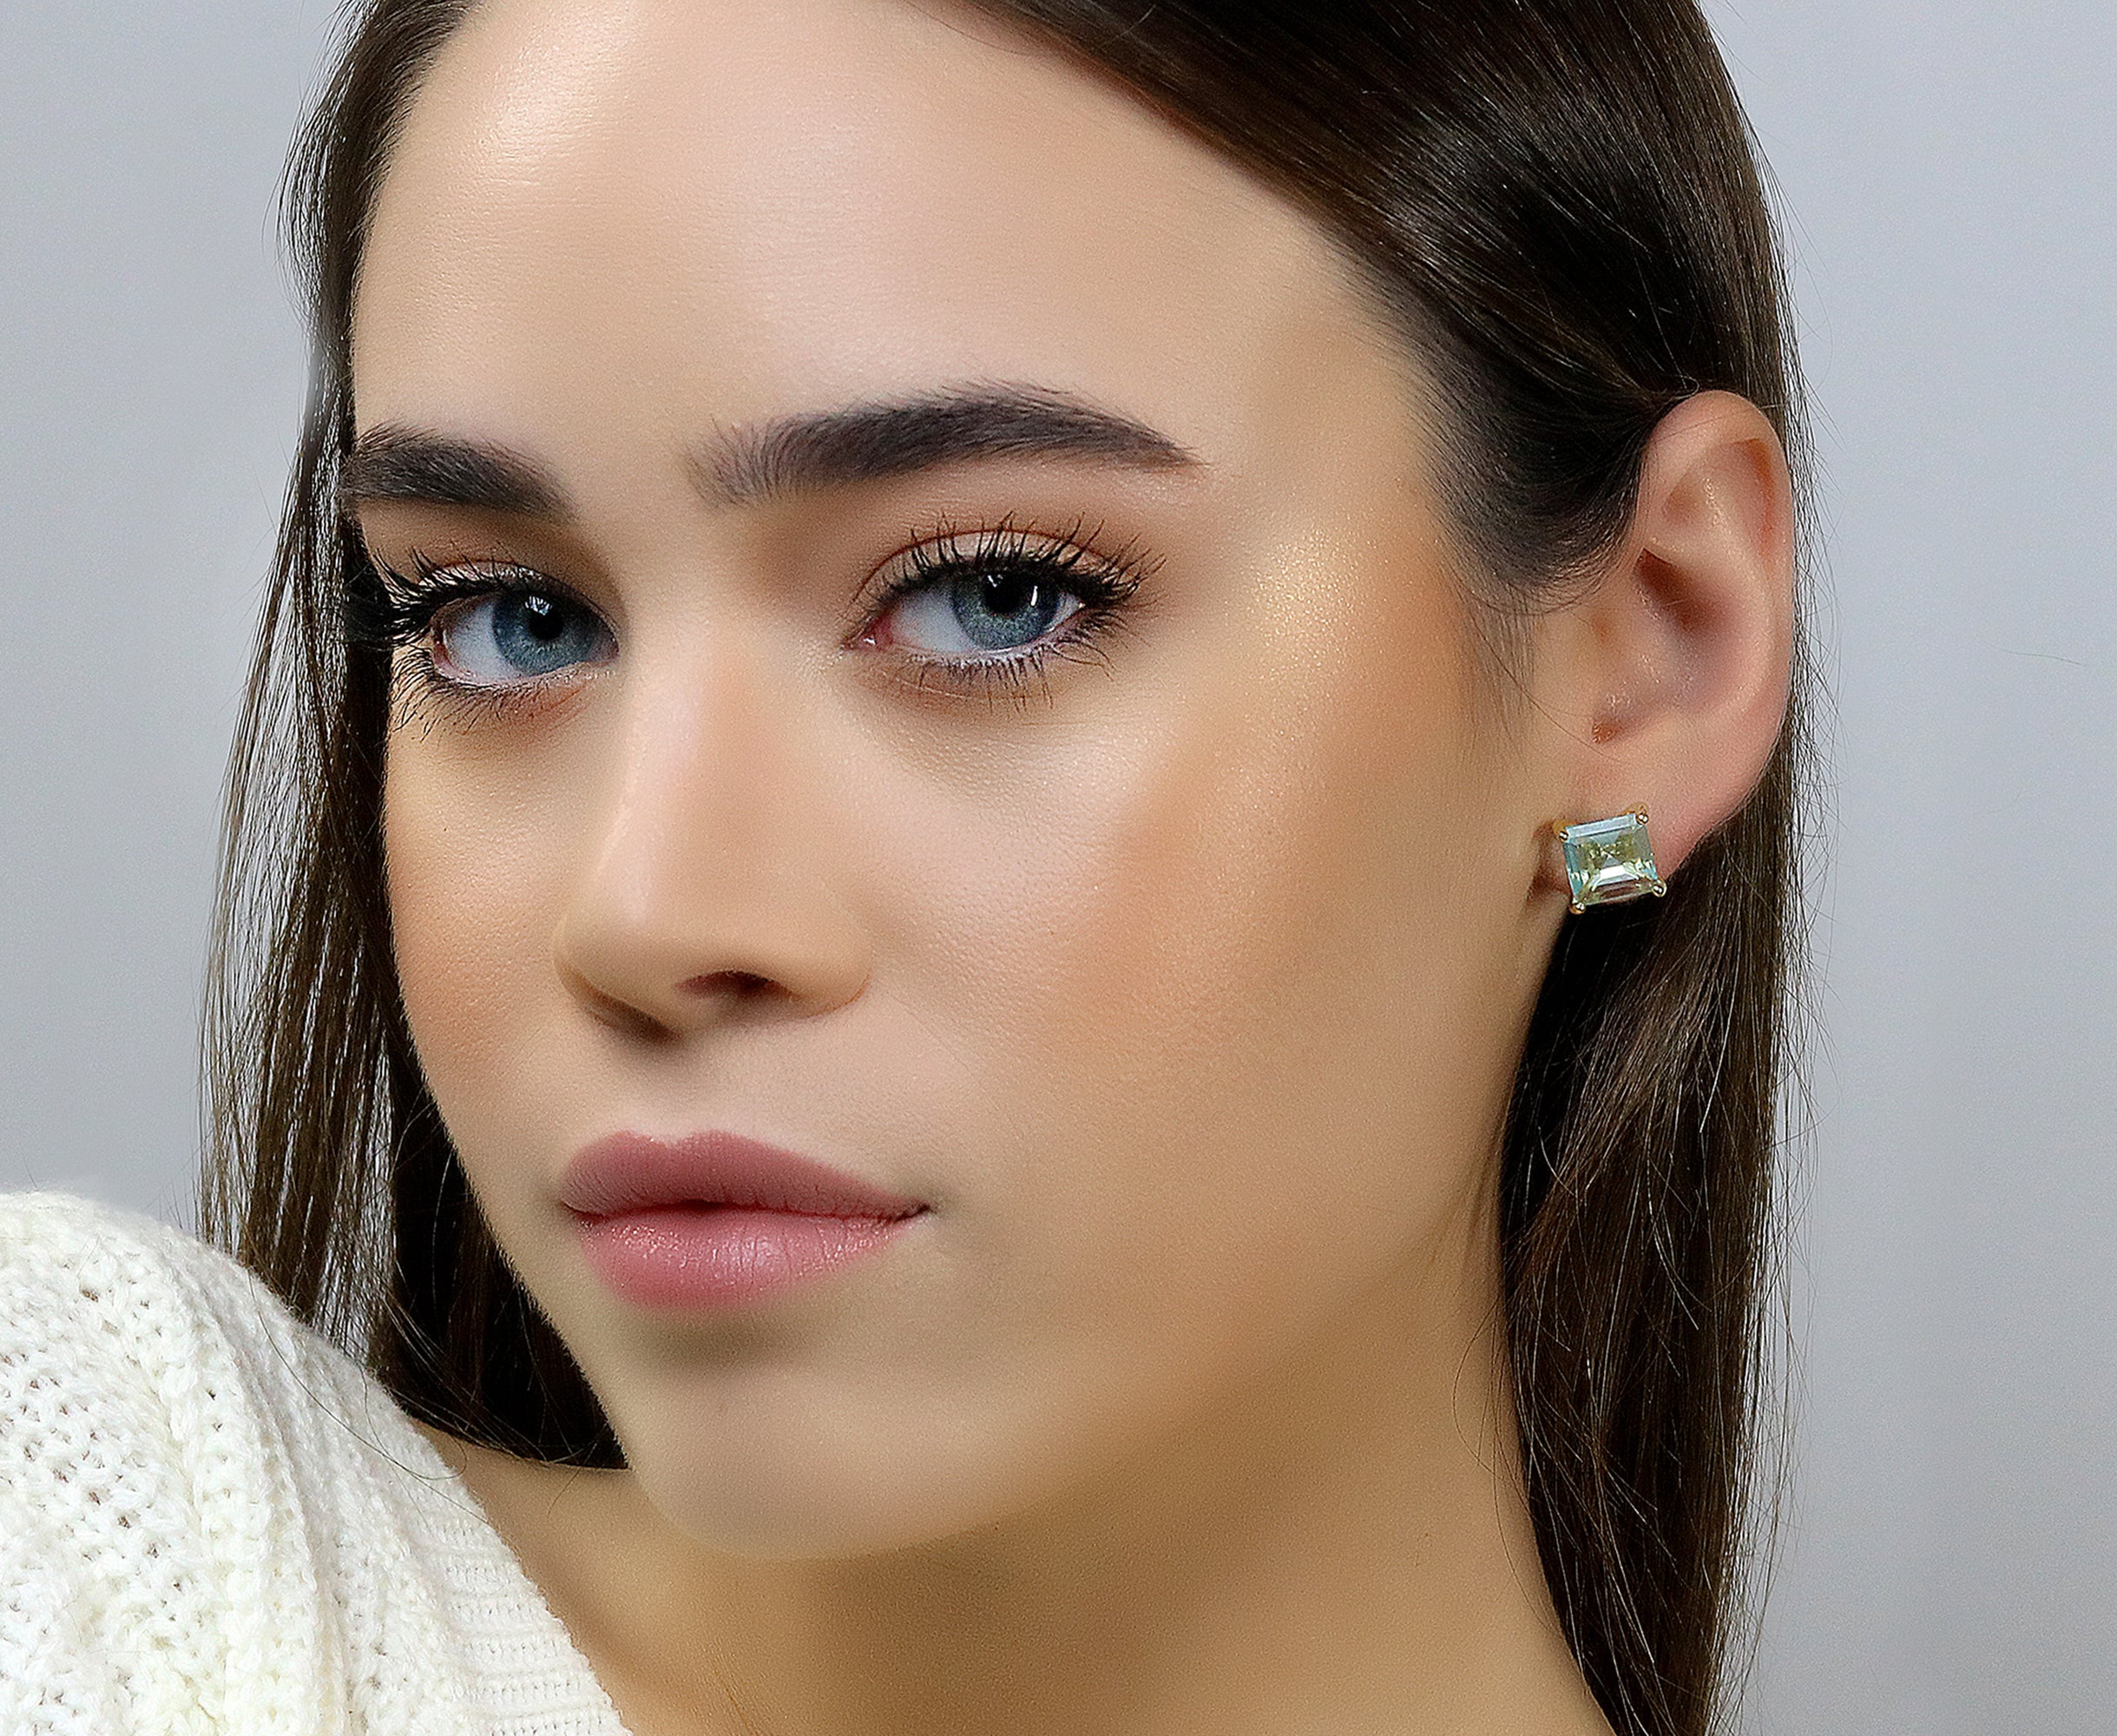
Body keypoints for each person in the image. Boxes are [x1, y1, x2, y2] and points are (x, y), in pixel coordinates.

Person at [0, 1, 1808, 1731]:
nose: (645, 914)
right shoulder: (93, 1543)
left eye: (992, 596)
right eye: (509, 619)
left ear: (1653, 654)